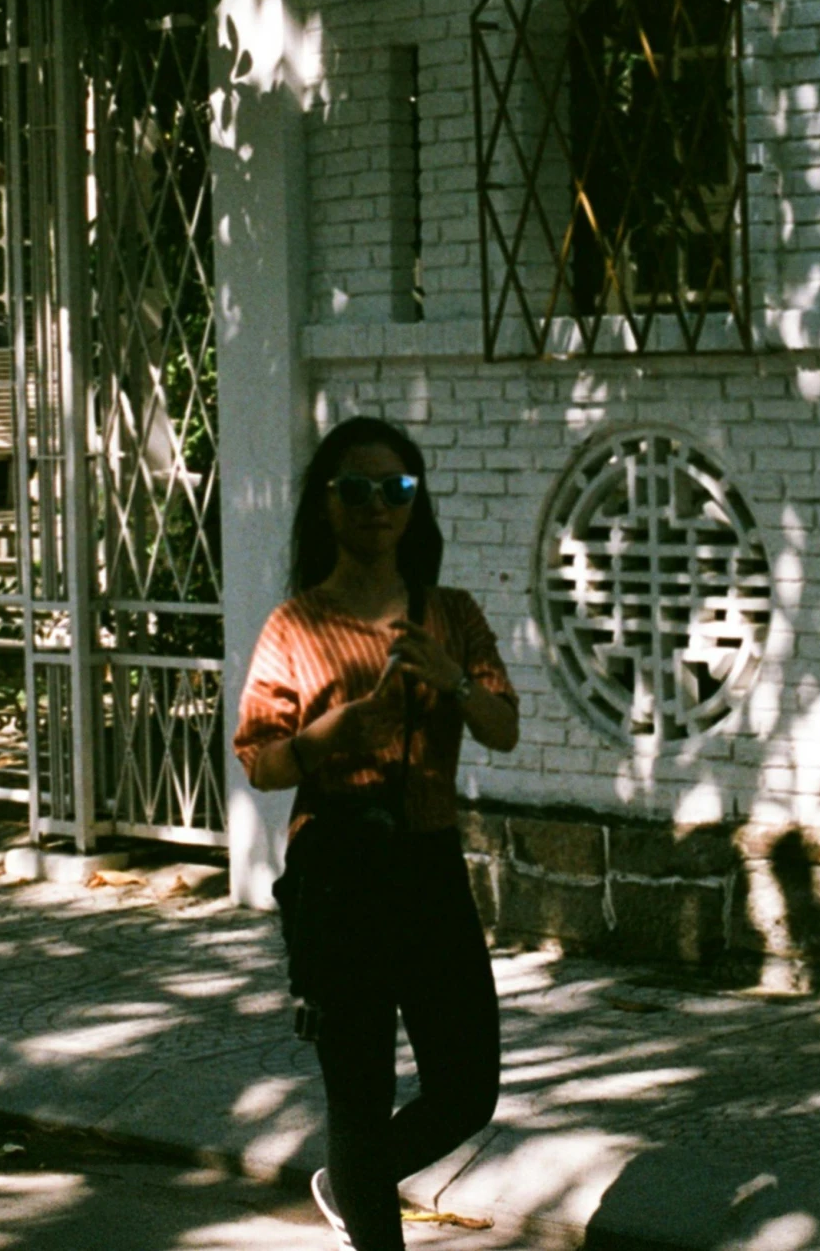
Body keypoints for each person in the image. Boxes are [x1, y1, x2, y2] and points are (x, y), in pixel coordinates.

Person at [235, 418, 521, 1251]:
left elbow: (502, 726)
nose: (375, 505)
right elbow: (261, 760)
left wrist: (453, 680)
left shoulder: (451, 614)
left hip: (429, 872)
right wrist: (334, 734)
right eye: (355, 488)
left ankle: (353, 1177)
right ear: (327, 505)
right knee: (357, 1092)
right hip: (338, 879)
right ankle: (363, 1190)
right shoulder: (296, 626)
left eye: (395, 488)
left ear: (415, 502)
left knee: (467, 1086)